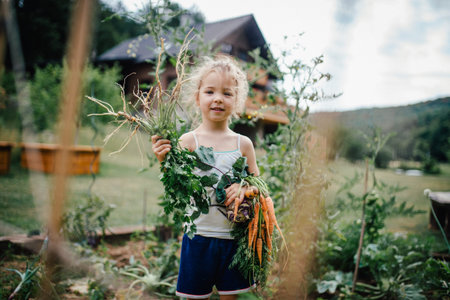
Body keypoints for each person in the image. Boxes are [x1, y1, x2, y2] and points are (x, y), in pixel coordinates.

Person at [151, 54, 259, 299]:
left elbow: (258, 187)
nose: (218, 98)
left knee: (231, 295)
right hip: (198, 237)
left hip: (234, 239)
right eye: (210, 91)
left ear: (237, 101)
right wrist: (163, 161)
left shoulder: (244, 144)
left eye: (227, 93)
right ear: (197, 97)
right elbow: (175, 187)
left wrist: (245, 189)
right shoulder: (189, 141)